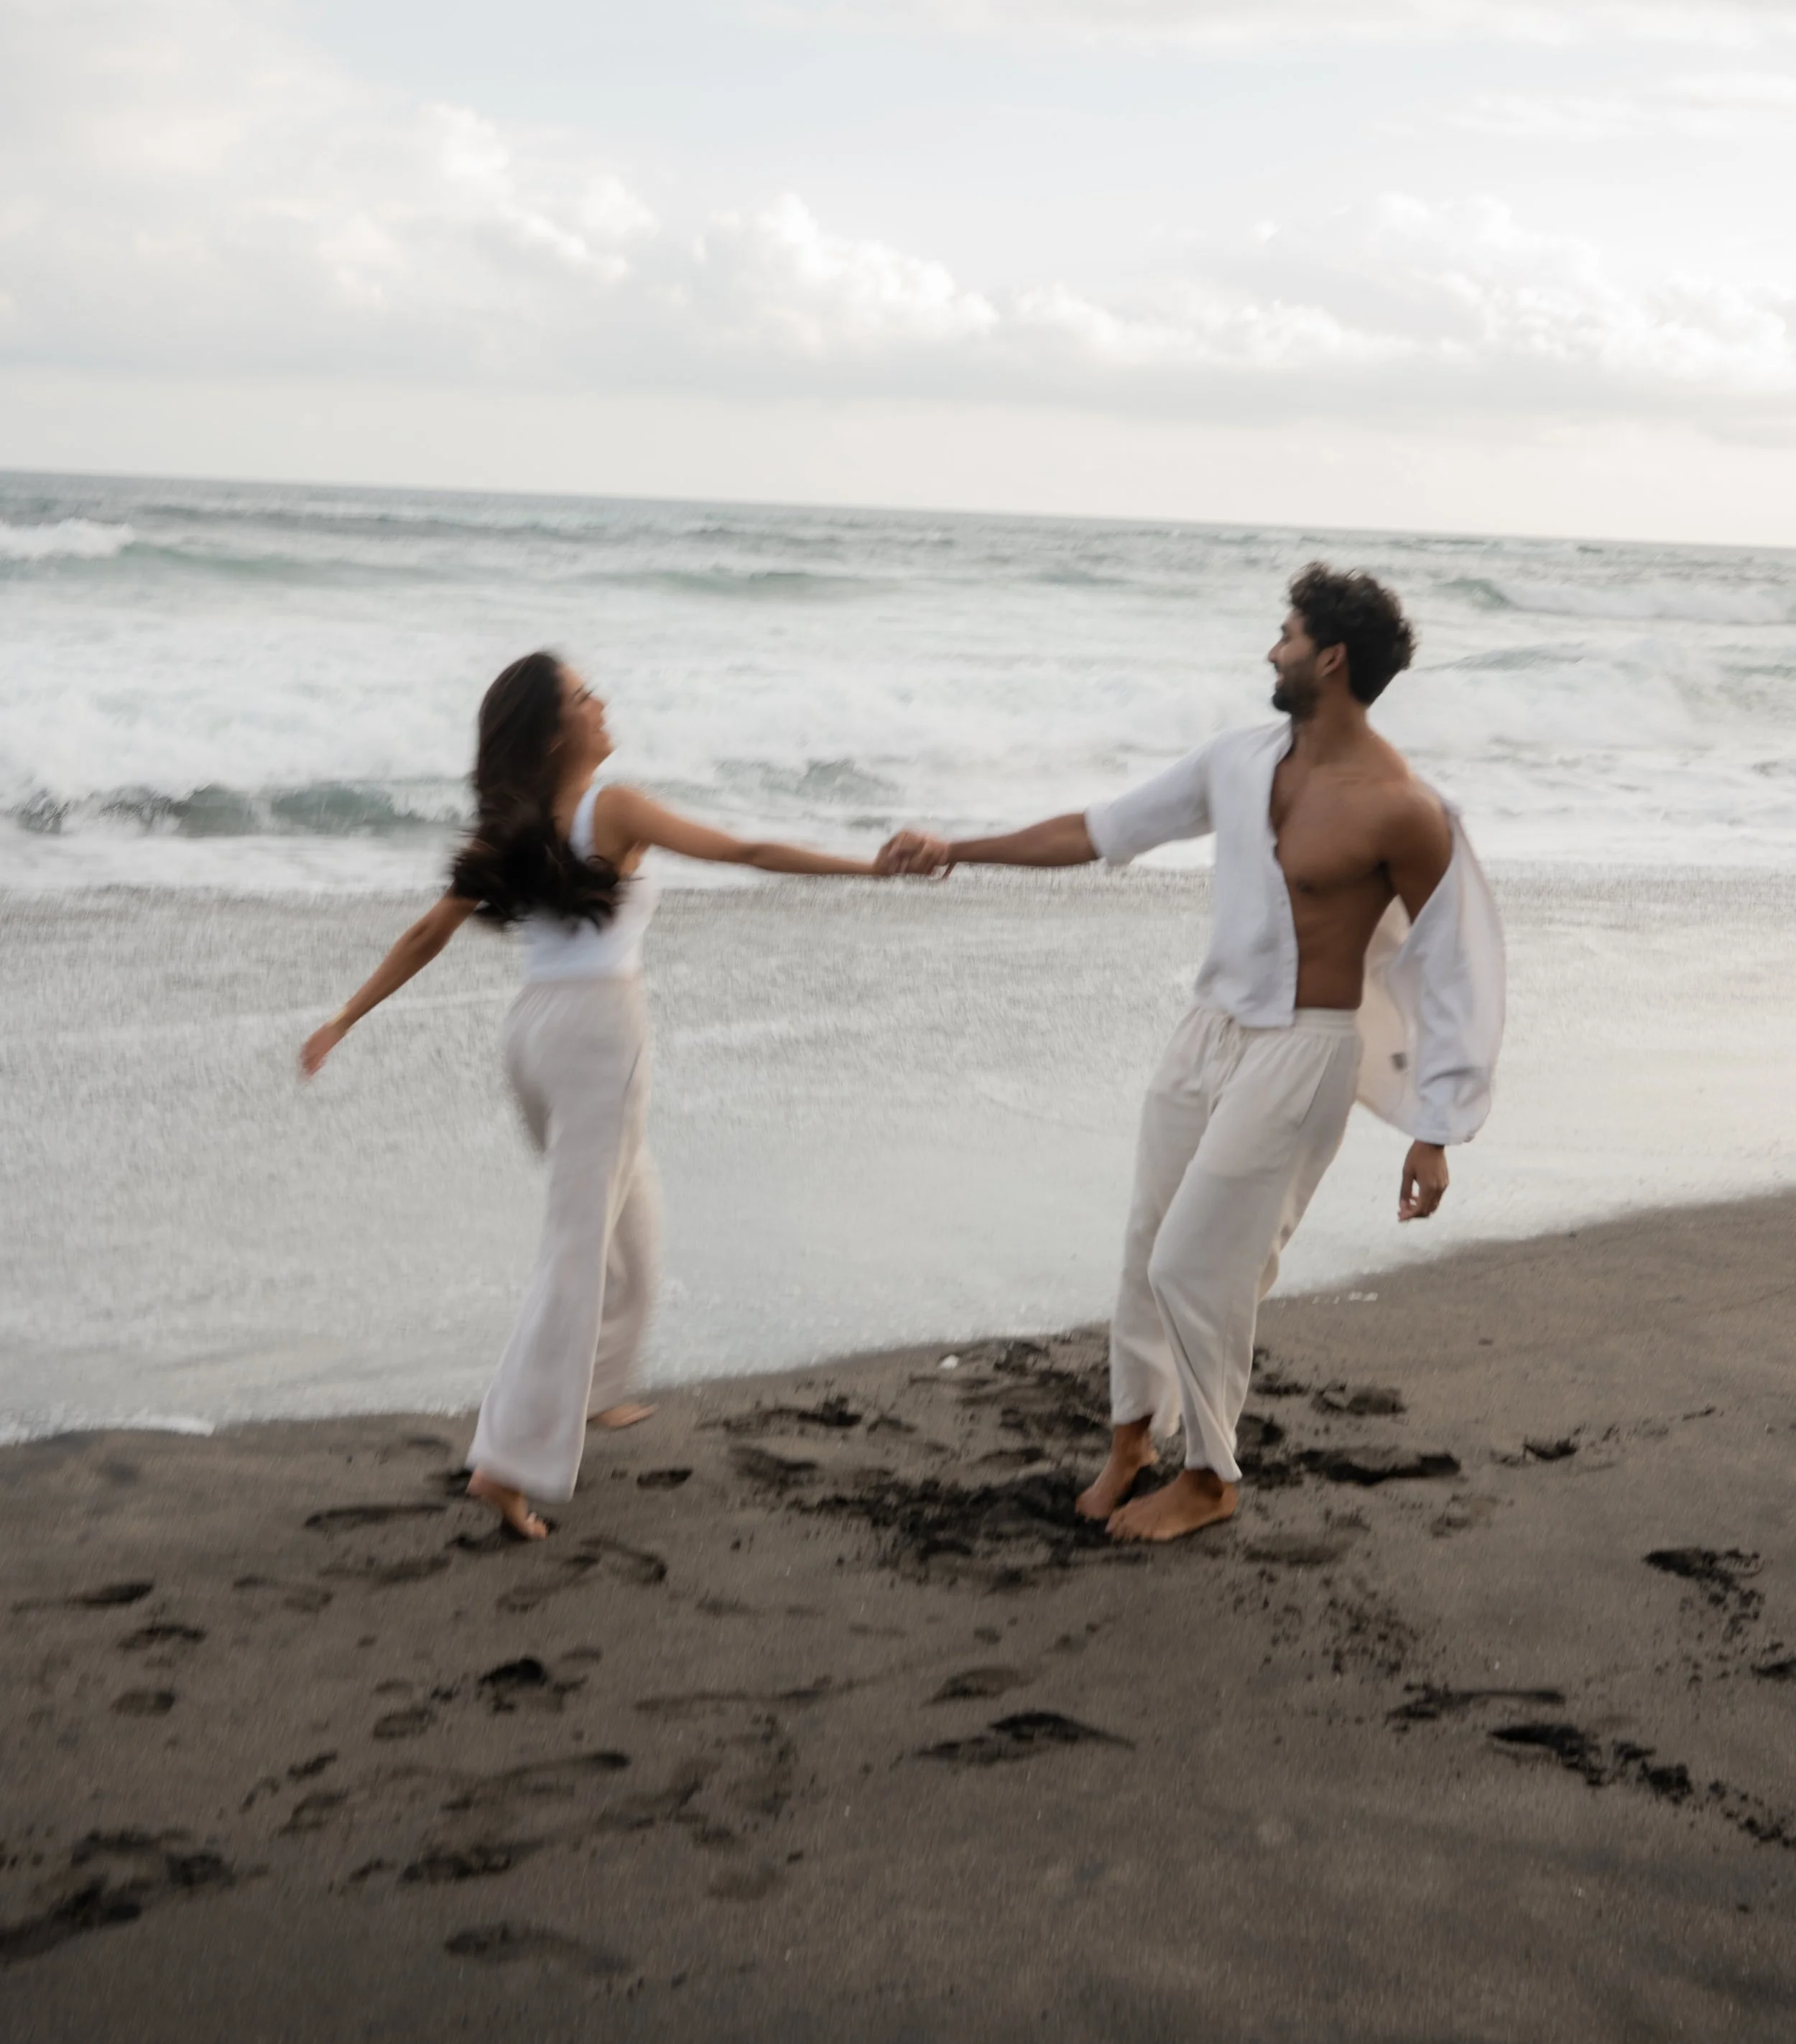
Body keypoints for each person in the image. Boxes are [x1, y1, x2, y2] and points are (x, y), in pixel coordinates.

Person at [876, 563, 1504, 1545]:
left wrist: (1437, 1128)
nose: (1272, 647)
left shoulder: (1403, 810)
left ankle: (1211, 1474)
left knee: (1197, 1264)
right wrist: (957, 845)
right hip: (1206, 1033)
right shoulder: (1239, 759)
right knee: (1145, 1248)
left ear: (1330, 658)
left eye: (1287, 633)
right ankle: (1134, 1435)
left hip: (1304, 1050)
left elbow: (1456, 968)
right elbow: (1100, 830)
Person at [301, 651, 885, 1541]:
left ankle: (589, 1390)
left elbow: (430, 932)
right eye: (581, 695)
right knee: (577, 1257)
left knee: (631, 1241)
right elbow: (746, 851)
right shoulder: (611, 808)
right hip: (599, 1038)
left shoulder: (522, 823)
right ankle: (506, 1463)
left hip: (533, 1036)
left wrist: (345, 1016)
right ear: (551, 729)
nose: (601, 701)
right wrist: (871, 870)